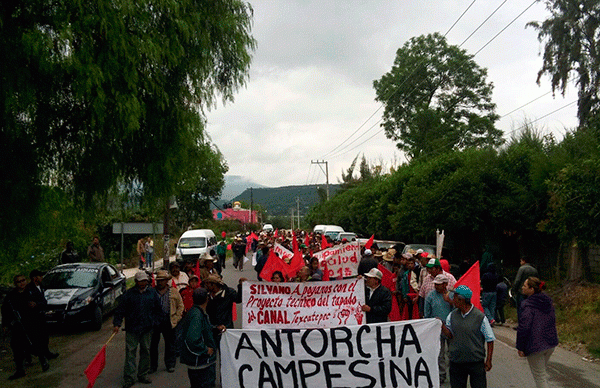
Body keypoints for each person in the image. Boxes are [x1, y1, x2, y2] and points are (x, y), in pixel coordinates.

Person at [113, 271, 162, 388]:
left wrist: (154, 322)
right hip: (132, 329)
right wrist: (117, 324)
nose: (143, 283)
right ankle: (129, 378)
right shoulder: (128, 295)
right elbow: (120, 310)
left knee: (146, 351)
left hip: (147, 328)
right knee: (130, 353)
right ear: (136, 281)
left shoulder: (152, 293)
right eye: (140, 281)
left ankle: (143, 374)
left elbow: (158, 310)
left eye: (144, 280)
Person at [441, 285, 495, 388]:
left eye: (455, 297)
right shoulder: (452, 315)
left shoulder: (480, 317)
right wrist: (442, 326)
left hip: (475, 362)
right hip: (457, 361)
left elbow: (490, 339)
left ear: (461, 300)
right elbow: (450, 335)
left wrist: (488, 360)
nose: (453, 300)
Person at [2, 274, 51, 380]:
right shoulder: (11, 296)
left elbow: (44, 303)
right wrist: (6, 325)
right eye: (19, 281)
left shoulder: (32, 291)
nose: (22, 283)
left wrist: (36, 304)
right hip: (18, 325)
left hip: (33, 323)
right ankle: (20, 370)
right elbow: (5, 311)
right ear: (15, 284)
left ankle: (42, 359)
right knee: (16, 347)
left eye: (23, 280)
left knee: (35, 344)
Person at [516, 277, 558, 388]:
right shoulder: (548, 302)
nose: (522, 288)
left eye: (525, 286)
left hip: (536, 345)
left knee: (540, 377)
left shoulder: (528, 305)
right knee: (542, 374)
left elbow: (524, 327)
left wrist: (520, 347)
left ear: (531, 289)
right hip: (550, 343)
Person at [180, 287, 217, 388]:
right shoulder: (197, 316)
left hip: (199, 364)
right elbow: (192, 339)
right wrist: (205, 350)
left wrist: (215, 328)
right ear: (207, 299)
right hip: (201, 364)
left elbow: (202, 329)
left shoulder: (195, 312)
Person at [150, 270, 184, 374]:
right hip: (155, 321)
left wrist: (177, 318)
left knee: (170, 344)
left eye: (163, 280)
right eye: (159, 280)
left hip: (168, 319)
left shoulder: (173, 291)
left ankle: (170, 364)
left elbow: (180, 306)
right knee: (153, 345)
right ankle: (153, 366)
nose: (160, 283)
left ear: (167, 281)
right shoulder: (151, 292)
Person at [424, 274, 453, 384]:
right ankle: (441, 375)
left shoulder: (452, 295)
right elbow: (427, 313)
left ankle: (453, 374)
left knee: (452, 352)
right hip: (437, 328)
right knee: (439, 353)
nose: (436, 286)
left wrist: (450, 301)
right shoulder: (430, 296)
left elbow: (458, 309)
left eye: (439, 284)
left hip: (451, 328)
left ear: (445, 284)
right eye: (435, 284)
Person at [25, 270, 59, 361]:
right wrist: (38, 304)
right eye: (40, 276)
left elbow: (43, 301)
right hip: (34, 317)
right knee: (37, 337)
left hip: (41, 315)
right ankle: (35, 353)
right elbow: (31, 304)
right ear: (35, 278)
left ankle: (46, 352)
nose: (42, 278)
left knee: (44, 336)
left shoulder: (41, 287)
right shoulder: (29, 289)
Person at [512, 256, 538, 327]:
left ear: (524, 261)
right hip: (531, 292)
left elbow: (517, 280)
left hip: (521, 291)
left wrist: (514, 289)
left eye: (521, 261)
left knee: (520, 308)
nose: (520, 263)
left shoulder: (522, 269)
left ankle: (521, 324)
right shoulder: (534, 270)